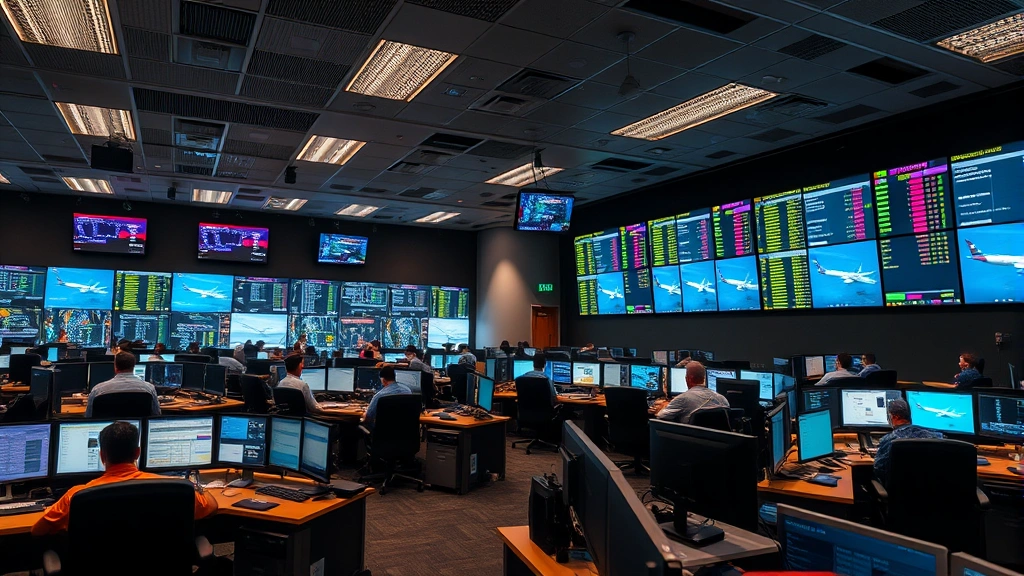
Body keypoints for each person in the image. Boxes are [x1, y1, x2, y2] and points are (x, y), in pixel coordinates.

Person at [31, 421, 217, 536]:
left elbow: (38, 530)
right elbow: (210, 507)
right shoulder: (174, 488)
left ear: (102, 456)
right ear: (137, 453)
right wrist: (196, 487)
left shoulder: (78, 496)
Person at [873, 398, 942, 485]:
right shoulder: (936, 436)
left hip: (898, 489)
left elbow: (878, 469)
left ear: (895, 416)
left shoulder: (890, 439)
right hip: (931, 489)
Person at [86, 352, 161, 418]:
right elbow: (156, 414)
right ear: (133, 366)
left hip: (108, 428)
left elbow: (89, 416)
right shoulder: (149, 388)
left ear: (115, 367)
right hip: (137, 428)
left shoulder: (98, 390)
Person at [654, 362, 729, 424]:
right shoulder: (722, 399)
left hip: (689, 436)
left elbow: (661, 416)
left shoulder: (683, 398)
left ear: (689, 379)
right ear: (704, 378)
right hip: (718, 437)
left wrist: (662, 407)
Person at [363, 366, 411, 430]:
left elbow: (368, 417)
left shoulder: (380, 396)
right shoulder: (408, 391)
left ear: (383, 380)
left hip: (383, 432)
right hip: (406, 432)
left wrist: (364, 414)